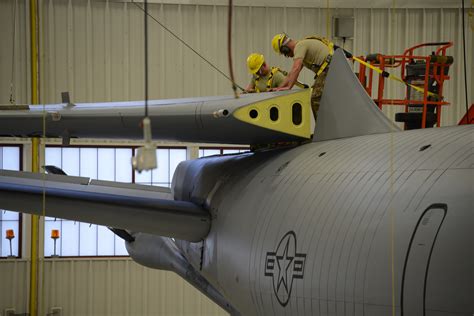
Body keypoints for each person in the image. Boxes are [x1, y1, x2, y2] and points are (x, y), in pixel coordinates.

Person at [271, 33, 350, 121]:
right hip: (331, 68)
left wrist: (289, 87)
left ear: (285, 48)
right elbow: (291, 74)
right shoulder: (302, 48)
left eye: (284, 53)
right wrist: (280, 88)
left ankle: (323, 129)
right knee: (326, 100)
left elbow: (296, 68)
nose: (287, 56)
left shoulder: (299, 46)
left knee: (316, 98)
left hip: (330, 68)